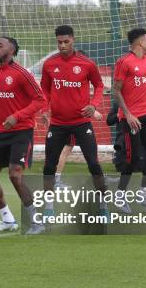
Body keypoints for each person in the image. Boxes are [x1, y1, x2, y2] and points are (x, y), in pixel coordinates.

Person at [37, 25, 108, 234]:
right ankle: (49, 208)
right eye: (59, 42)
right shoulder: (50, 64)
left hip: (81, 122)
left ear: (73, 40)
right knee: (49, 165)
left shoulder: (86, 64)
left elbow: (100, 86)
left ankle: (103, 205)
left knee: (94, 163)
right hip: (57, 123)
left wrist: (94, 105)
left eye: (66, 42)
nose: (62, 45)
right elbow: (44, 89)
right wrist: (44, 108)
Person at [0, 37, 47, 233]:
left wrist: (17, 116)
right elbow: (3, 99)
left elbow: (40, 100)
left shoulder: (22, 74)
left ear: (12, 51)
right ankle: (7, 219)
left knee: (15, 174)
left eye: (0, 46)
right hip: (1, 132)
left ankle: (36, 220)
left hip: (22, 132)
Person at [113, 27, 146, 213]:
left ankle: (144, 194)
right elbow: (116, 90)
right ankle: (120, 196)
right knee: (132, 158)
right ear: (140, 42)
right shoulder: (124, 62)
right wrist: (128, 114)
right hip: (130, 119)